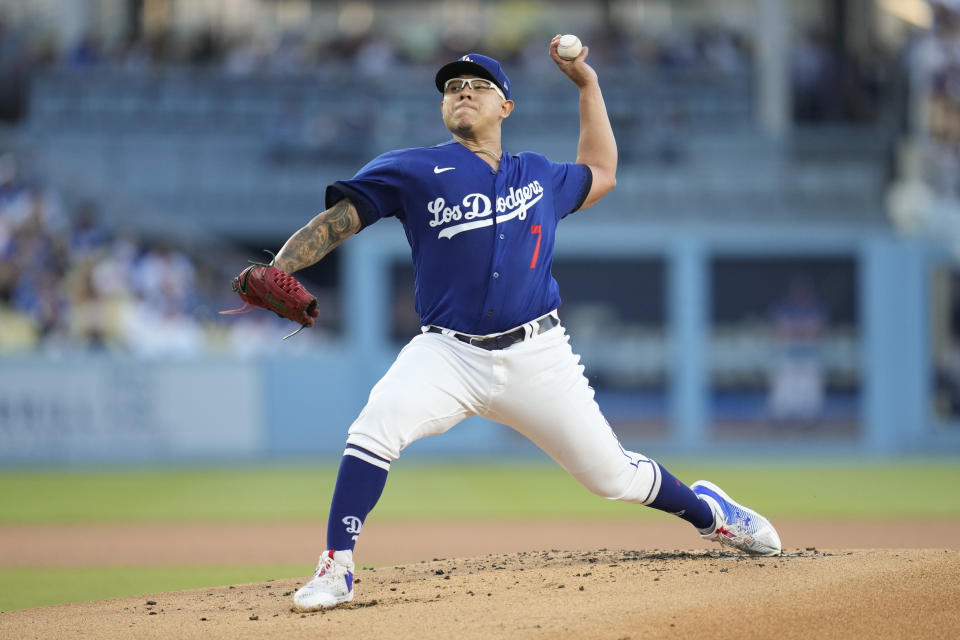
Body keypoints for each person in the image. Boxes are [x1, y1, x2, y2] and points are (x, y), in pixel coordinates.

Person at [266, 37, 781, 612]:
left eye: (479, 85)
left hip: (538, 355)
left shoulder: (537, 175)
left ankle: (714, 515)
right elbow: (336, 223)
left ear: (505, 106)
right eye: (452, 87)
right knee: (373, 427)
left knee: (610, 476)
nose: (463, 91)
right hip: (448, 354)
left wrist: (587, 84)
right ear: (443, 108)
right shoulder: (412, 169)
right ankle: (337, 567)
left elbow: (603, 171)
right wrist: (276, 268)